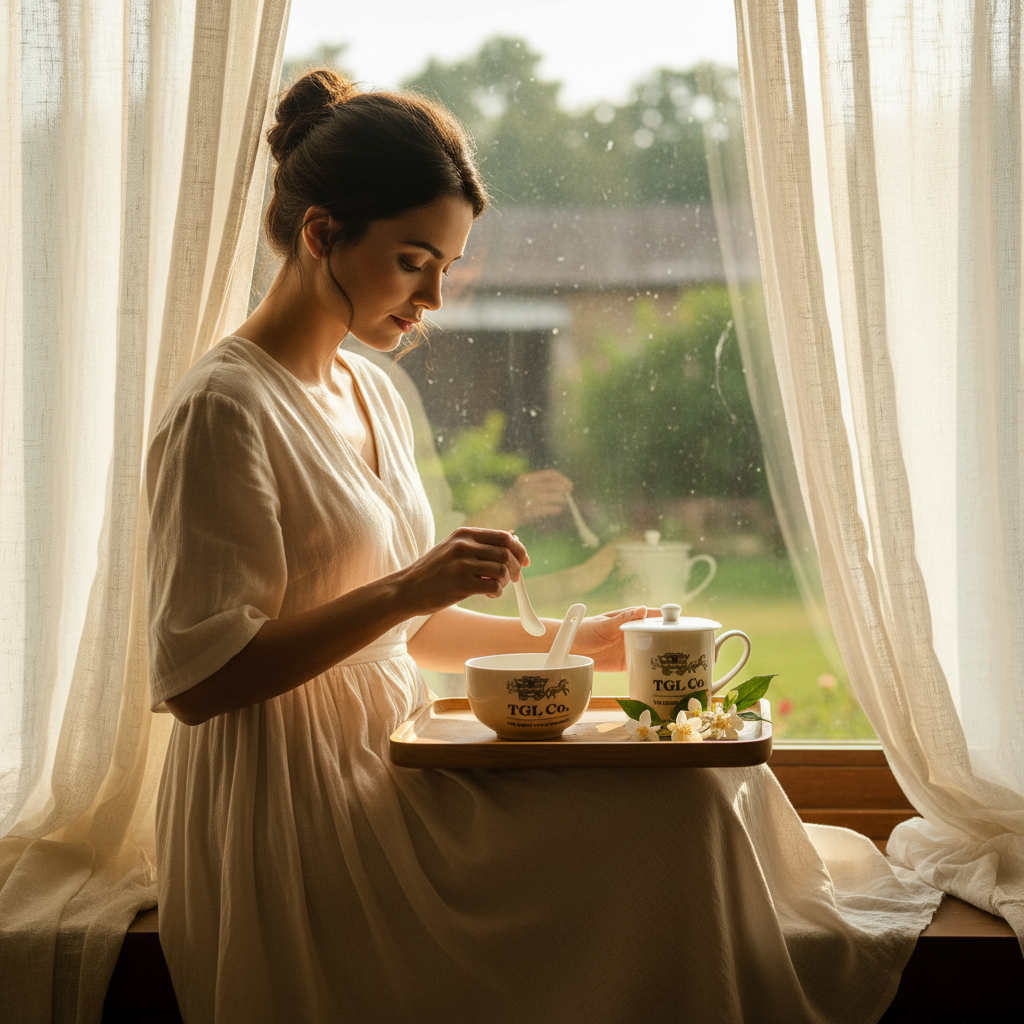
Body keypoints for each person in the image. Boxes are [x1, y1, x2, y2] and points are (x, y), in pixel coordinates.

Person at [147, 69, 940, 1024]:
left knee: (692, 798)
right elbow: (198, 681)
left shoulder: (366, 393)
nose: (435, 296)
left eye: (444, 264)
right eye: (412, 260)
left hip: (401, 761)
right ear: (321, 235)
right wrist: (406, 590)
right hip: (290, 810)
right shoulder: (223, 408)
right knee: (670, 824)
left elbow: (409, 637)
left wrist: (577, 650)